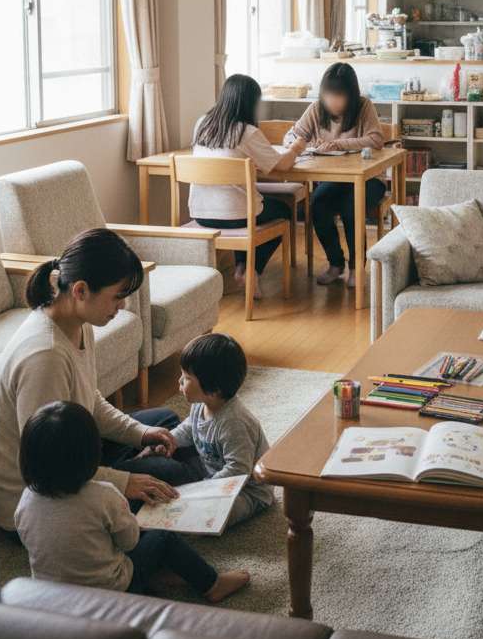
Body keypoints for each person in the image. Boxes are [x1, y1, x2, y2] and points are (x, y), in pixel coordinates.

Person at [0, 227, 182, 533]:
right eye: (117, 297)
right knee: (169, 475)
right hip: (39, 496)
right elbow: (48, 464)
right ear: (80, 290)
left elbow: (89, 401)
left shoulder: (77, 322)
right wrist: (125, 482)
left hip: (71, 454)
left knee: (164, 423)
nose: (123, 306)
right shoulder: (45, 357)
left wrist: (140, 433)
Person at [15, 401, 249, 601]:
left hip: (52, 595)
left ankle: (158, 575)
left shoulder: (25, 499)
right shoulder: (104, 495)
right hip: (112, 591)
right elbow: (130, 541)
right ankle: (212, 584)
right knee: (161, 536)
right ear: (91, 456)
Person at [126, 332, 273, 528]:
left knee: (207, 516)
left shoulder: (234, 423)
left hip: (246, 491)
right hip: (209, 470)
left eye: (186, 378)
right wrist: (169, 441)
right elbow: (188, 429)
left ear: (214, 389)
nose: (179, 381)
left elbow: (238, 471)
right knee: (163, 459)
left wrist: (202, 490)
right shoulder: (201, 404)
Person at [191, 74, 308, 298]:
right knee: (284, 210)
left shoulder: (201, 124)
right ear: (250, 103)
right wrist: (296, 148)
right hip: (237, 214)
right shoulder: (247, 132)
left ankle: (241, 268)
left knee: (241, 207)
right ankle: (251, 269)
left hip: (201, 214)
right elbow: (282, 165)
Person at [284, 62, 386, 288]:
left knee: (352, 209)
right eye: (328, 94)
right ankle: (335, 263)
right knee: (317, 203)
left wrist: (337, 143)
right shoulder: (315, 109)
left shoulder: (363, 107)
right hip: (336, 179)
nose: (332, 101)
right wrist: (304, 143)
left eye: (338, 95)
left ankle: (356, 268)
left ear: (350, 94)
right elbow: (290, 137)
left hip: (370, 179)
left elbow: (376, 139)